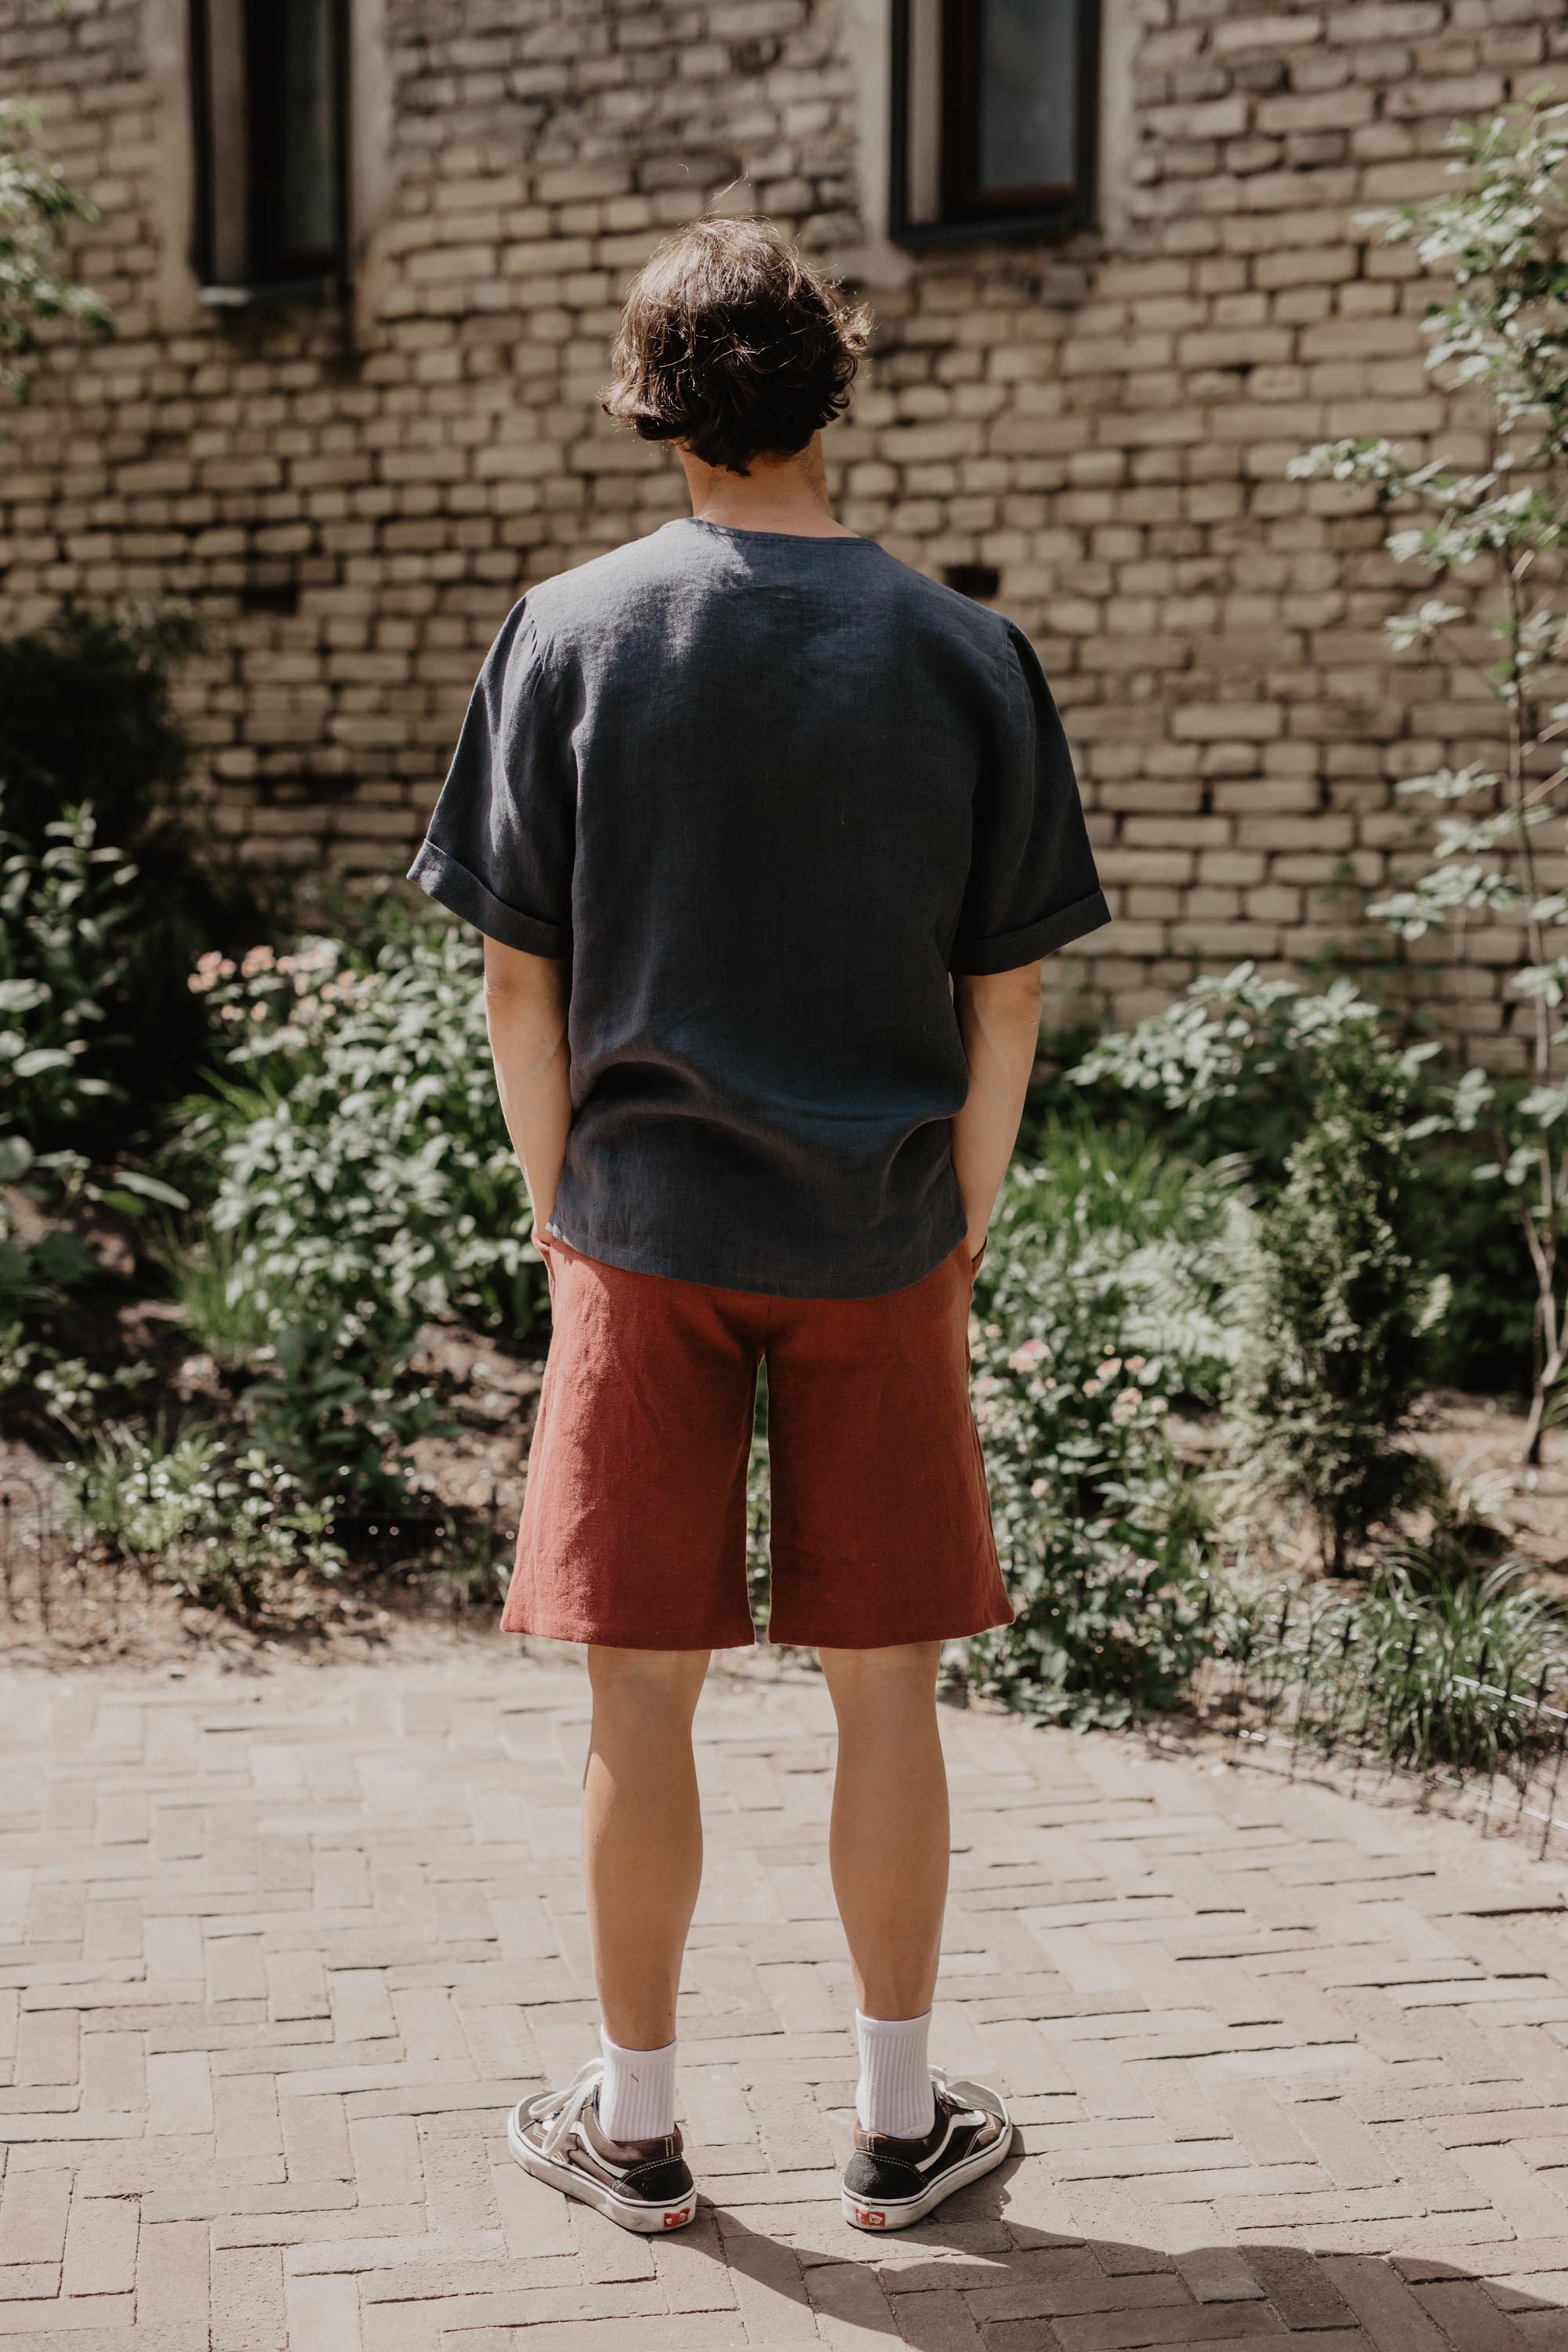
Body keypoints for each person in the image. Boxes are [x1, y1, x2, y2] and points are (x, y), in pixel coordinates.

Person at [408, 215, 1109, 2237]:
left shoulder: (568, 634)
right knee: (889, 1687)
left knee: (640, 1695)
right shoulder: (963, 653)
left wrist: (565, 1205)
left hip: (642, 1233)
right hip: (881, 1237)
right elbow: (1007, 996)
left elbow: (520, 983)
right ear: (832, 386)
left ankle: (637, 2132)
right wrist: (956, 1215)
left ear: (654, 407)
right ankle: (896, 2125)